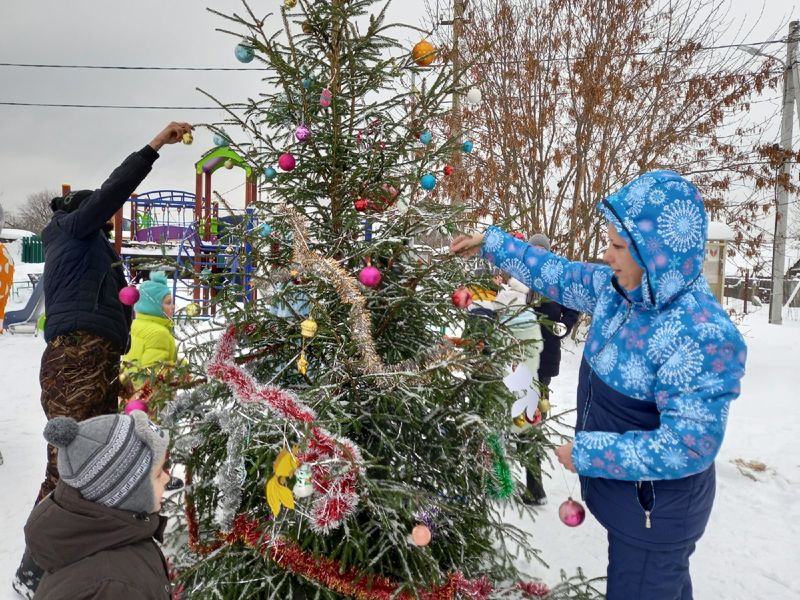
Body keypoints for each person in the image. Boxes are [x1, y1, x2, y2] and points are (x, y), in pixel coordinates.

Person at [450, 170, 747, 600]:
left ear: (657, 253)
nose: (607, 256)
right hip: (631, 505)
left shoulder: (700, 334)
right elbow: (559, 274)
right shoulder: (618, 292)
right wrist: (494, 244)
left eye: (619, 246)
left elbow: (688, 445)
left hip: (655, 517)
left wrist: (590, 453)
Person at [13, 121, 192, 598]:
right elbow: (115, 189)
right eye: (103, 222)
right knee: (71, 465)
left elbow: (116, 300)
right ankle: (37, 565)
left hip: (95, 355)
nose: (108, 230)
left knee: (94, 462)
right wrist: (155, 146)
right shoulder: (74, 228)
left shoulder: (82, 249)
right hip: (78, 357)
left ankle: (87, 550)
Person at [22, 411, 172, 599]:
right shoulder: (115, 588)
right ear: (124, 494)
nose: (168, 477)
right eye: (158, 474)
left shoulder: (112, 538)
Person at [523, 233, 581, 504]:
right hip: (518, 357)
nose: (537, 252)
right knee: (516, 417)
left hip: (544, 357)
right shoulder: (521, 275)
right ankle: (503, 479)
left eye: (541, 249)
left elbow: (573, 308)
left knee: (532, 419)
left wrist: (564, 326)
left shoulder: (557, 279)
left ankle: (535, 488)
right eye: (533, 248)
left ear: (547, 252)